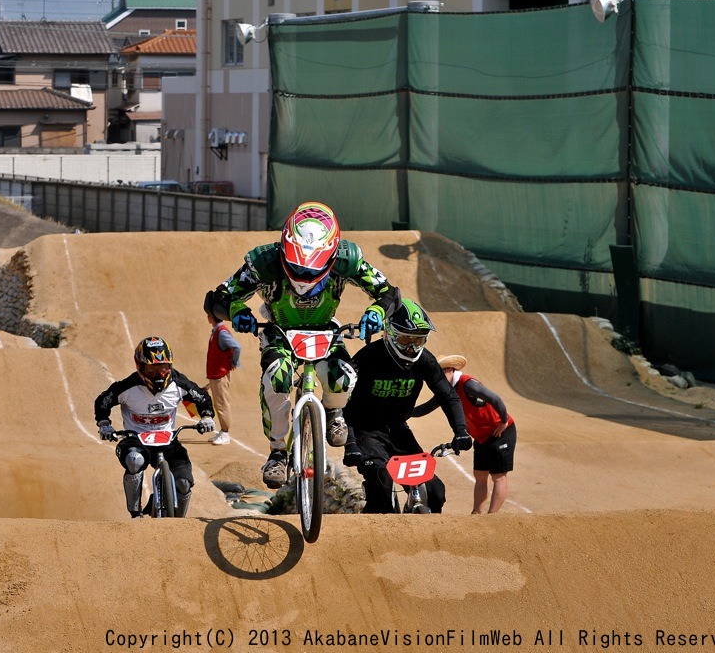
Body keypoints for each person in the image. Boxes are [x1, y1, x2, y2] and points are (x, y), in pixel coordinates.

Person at [205, 201, 401, 487]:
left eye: (312, 270)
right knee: (277, 378)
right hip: (278, 330)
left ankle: (334, 411)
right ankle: (277, 452)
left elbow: (388, 291)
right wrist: (238, 312)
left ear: (332, 255)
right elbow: (218, 297)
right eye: (296, 267)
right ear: (284, 248)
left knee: (343, 377)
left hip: (325, 329)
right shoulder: (263, 262)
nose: (303, 277)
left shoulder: (349, 259)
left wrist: (377, 312)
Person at [342, 299, 472, 513]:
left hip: (398, 431)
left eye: (419, 341)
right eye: (405, 340)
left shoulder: (425, 361)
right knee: (381, 482)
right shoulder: (367, 358)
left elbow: (448, 396)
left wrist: (461, 431)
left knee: (435, 492)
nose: (412, 348)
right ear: (390, 334)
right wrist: (350, 443)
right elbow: (341, 401)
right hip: (365, 431)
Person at [95, 337, 215, 518]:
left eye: (164, 368)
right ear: (140, 367)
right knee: (134, 460)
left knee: (183, 483)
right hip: (135, 439)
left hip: (168, 440)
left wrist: (206, 416)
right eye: (153, 369)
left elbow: (202, 398)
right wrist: (104, 424)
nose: (159, 374)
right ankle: (136, 514)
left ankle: (180, 523)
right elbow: (102, 401)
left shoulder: (179, 382)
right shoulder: (128, 386)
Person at [412, 354, 517, 514]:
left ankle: (492, 517)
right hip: (482, 438)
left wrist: (503, 421)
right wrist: (400, 411)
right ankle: (477, 513)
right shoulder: (445, 391)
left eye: (440, 373)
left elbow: (495, 398)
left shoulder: (467, 384)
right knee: (480, 475)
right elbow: (424, 409)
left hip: (501, 432)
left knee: (498, 476)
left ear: (450, 370)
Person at [203, 291, 241, 446]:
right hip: (215, 375)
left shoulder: (221, 332)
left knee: (222, 404)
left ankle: (225, 432)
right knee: (218, 403)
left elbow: (236, 346)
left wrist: (234, 363)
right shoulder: (217, 331)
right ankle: (222, 431)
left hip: (220, 375)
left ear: (211, 317)